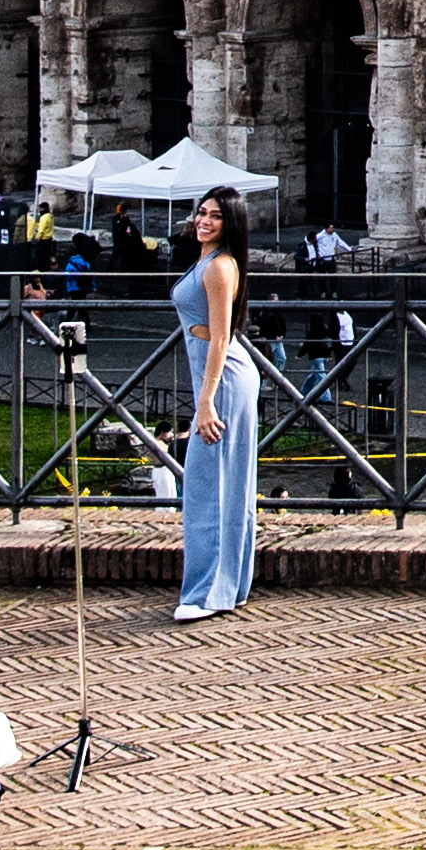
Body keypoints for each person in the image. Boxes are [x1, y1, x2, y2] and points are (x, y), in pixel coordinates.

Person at [169, 194, 257, 624]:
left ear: (230, 224)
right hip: (222, 376)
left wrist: (205, 401)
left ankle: (208, 593)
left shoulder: (220, 265)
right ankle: (229, 586)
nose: (204, 220)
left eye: (216, 216)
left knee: (209, 484)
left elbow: (220, 338)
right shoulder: (207, 259)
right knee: (225, 480)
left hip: (223, 379)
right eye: (202, 212)